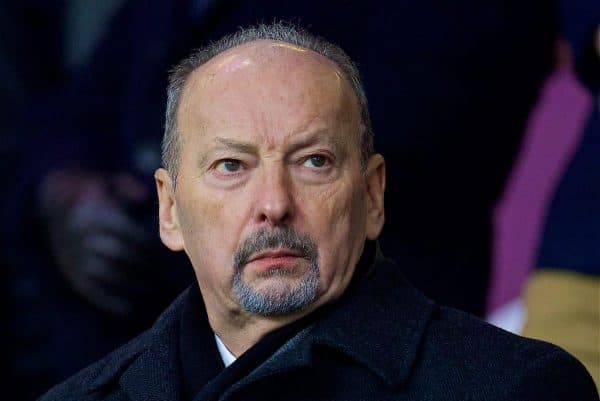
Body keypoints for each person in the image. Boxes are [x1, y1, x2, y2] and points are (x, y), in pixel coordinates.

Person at [39, 23, 598, 401]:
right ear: (170, 209)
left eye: (313, 161)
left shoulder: (516, 389)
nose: (274, 205)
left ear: (373, 195)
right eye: (232, 166)